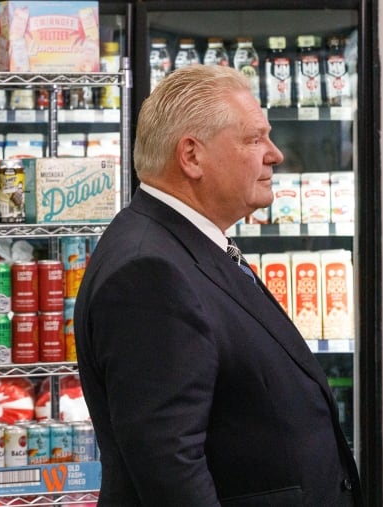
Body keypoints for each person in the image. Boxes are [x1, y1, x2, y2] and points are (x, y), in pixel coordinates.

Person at [74, 65, 363, 506]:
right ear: (191, 156)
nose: (275, 154)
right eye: (254, 139)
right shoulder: (149, 271)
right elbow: (169, 469)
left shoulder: (183, 243)